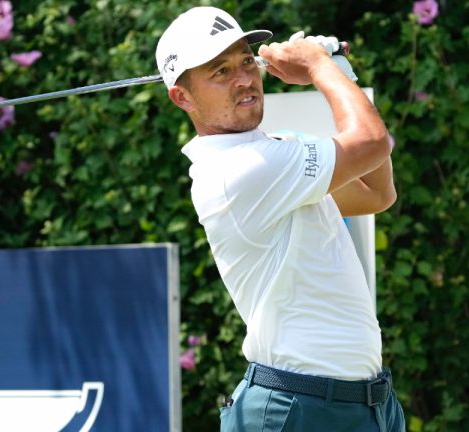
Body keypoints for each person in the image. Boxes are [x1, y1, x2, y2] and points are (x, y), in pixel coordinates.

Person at [156, 6, 404, 431]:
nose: (244, 78)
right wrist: (319, 67)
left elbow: (377, 193)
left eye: (246, 61)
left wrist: (341, 74)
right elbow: (371, 142)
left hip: (368, 405)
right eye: (220, 71)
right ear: (183, 97)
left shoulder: (278, 151)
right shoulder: (239, 172)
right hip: (298, 409)